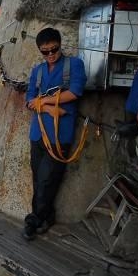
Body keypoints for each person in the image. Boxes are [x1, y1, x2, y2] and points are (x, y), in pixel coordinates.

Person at [23, 28, 87, 240]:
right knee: (38, 178)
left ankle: (34, 219)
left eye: (54, 49)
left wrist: (46, 101)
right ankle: (47, 216)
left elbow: (75, 91)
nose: (50, 54)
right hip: (38, 133)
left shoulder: (74, 65)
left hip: (59, 134)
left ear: (60, 45)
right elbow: (29, 99)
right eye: (45, 51)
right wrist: (48, 108)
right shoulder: (38, 71)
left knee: (47, 179)